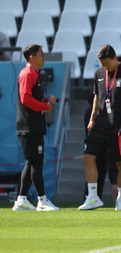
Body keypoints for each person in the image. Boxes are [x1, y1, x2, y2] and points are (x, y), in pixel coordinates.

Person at [79, 45, 121, 211]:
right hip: (100, 124)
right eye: (102, 64)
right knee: (88, 157)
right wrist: (91, 119)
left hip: (119, 126)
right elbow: (96, 98)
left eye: (107, 63)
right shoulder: (98, 74)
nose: (105, 67)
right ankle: (92, 197)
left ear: (115, 58)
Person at [12, 44, 59, 211]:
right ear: (31, 57)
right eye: (41, 54)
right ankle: (42, 200)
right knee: (36, 163)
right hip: (29, 126)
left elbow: (31, 98)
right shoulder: (27, 74)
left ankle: (21, 200)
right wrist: (45, 107)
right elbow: (25, 99)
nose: (43, 57)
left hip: (31, 126)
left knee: (32, 163)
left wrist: (45, 101)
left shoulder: (33, 74)